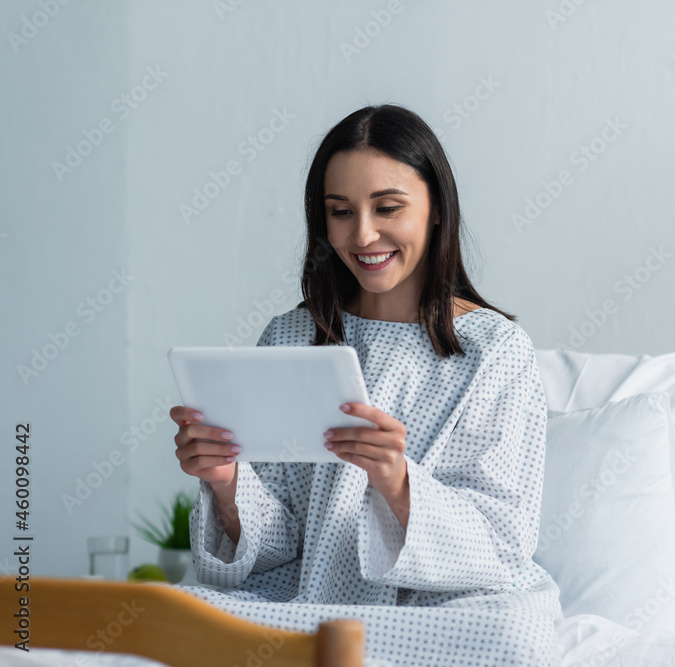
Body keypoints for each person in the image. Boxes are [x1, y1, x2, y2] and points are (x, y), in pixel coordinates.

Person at [168, 104, 563, 665]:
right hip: (302, 604)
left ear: (434, 208)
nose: (363, 234)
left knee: (513, 639)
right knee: (174, 617)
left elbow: (503, 544)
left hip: (436, 611)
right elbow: (277, 544)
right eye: (340, 211)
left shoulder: (495, 351)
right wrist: (227, 481)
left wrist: (398, 483)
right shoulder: (290, 336)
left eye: (388, 207)